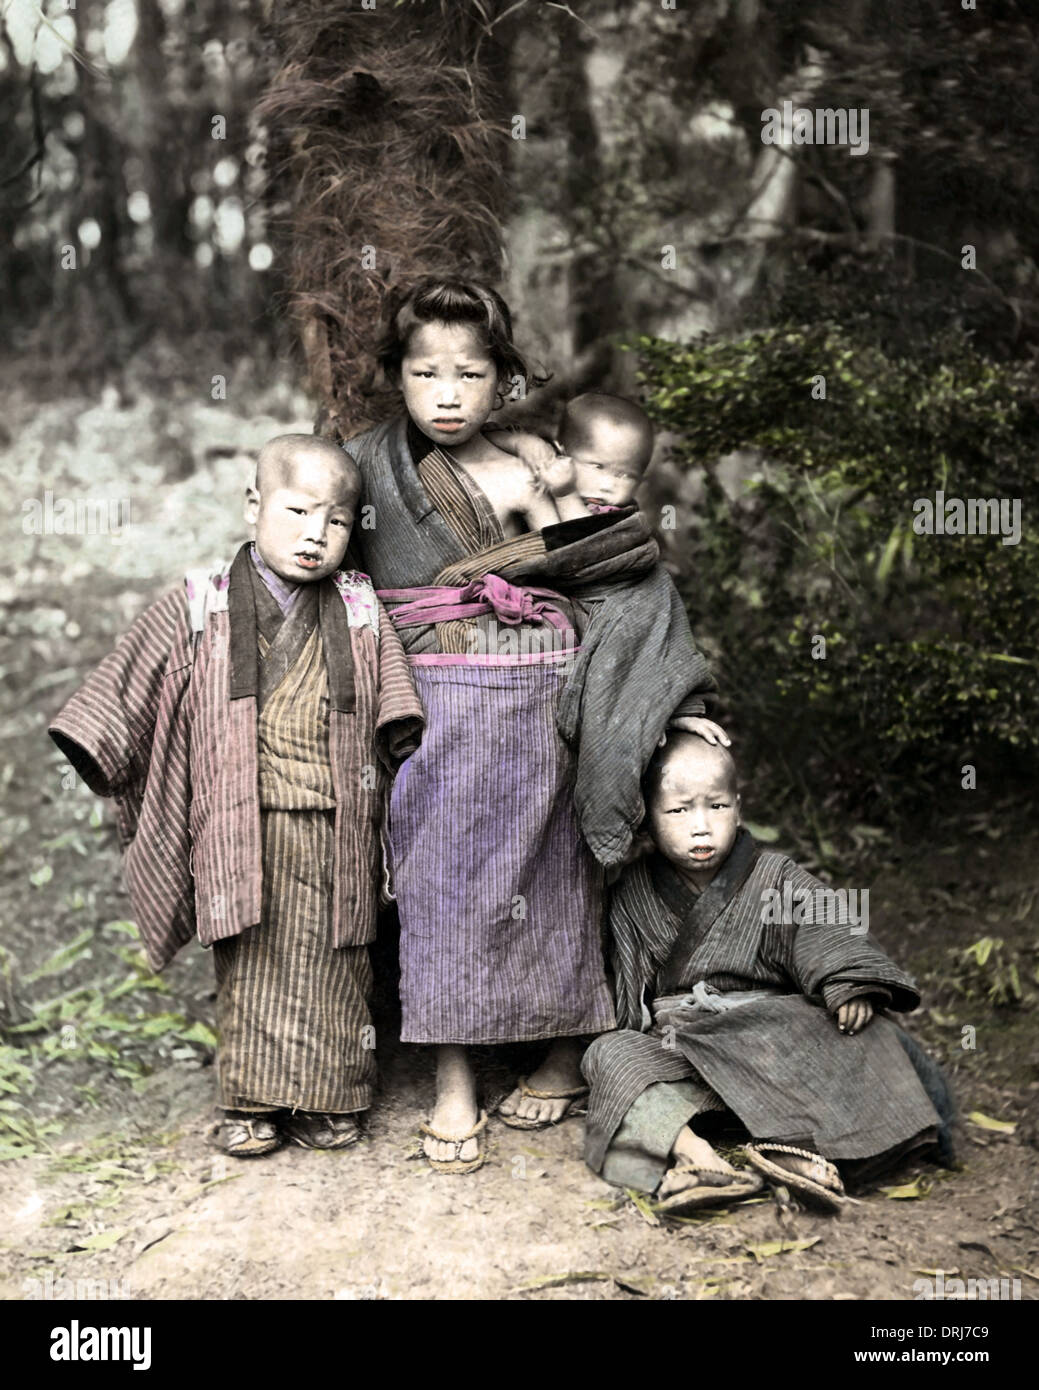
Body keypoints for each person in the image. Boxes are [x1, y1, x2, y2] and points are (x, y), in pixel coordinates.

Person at [343, 277, 725, 1171]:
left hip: (546, 703)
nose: (446, 393)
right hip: (435, 710)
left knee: (560, 876)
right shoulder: (363, 467)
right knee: (439, 880)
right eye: (424, 372)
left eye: (469, 374)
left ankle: (562, 1050)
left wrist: (681, 707)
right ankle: (452, 1076)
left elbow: (620, 577)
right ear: (396, 375)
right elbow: (319, 576)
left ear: (501, 379)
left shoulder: (530, 466)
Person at [49, 436, 423, 1158]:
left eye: (338, 521)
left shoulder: (358, 605)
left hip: (338, 823)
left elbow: (397, 709)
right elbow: (119, 692)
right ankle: (250, 1101)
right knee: (248, 962)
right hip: (239, 822)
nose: (316, 535)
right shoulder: (200, 602)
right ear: (254, 504)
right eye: (297, 511)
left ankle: (330, 1096)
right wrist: (99, 749)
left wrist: (399, 749)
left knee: (337, 962)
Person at [582, 732, 956, 1213]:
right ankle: (698, 1159)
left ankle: (797, 1155)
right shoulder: (633, 891)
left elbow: (825, 925)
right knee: (608, 1053)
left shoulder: (774, 876)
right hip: (689, 1051)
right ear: (649, 820)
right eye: (679, 811)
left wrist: (845, 984)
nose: (701, 827)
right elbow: (625, 990)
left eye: (716, 807)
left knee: (868, 1034)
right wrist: (643, 1037)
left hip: (770, 1041)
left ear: (738, 807)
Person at [489, 391, 655, 520]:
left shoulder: (612, 514)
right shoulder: (551, 462)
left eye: (626, 476)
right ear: (562, 452)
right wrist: (521, 443)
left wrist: (566, 495)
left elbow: (587, 540)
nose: (608, 485)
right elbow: (487, 437)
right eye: (597, 466)